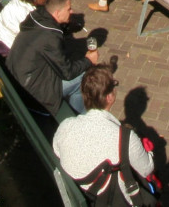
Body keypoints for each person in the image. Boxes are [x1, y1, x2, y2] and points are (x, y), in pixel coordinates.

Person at [53, 64, 156, 206]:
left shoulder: (66, 126)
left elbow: (57, 150)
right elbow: (146, 169)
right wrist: (149, 152)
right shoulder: (125, 138)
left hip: (80, 196)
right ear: (109, 97)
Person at [8, 0, 99, 115]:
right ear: (57, 12)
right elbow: (67, 73)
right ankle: (79, 120)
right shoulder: (50, 37)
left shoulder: (36, 17)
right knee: (82, 77)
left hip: (16, 78)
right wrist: (89, 60)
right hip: (32, 94)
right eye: (68, 9)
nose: (71, 12)